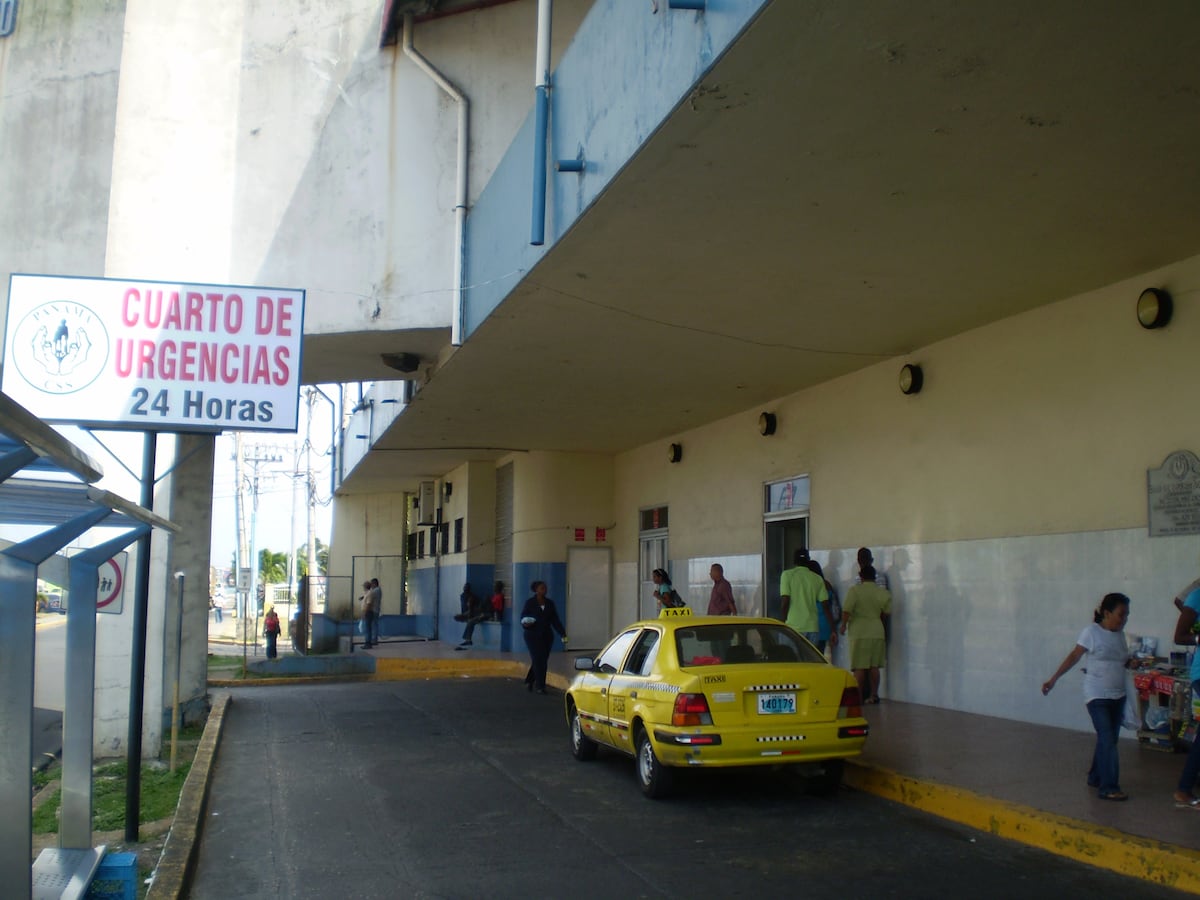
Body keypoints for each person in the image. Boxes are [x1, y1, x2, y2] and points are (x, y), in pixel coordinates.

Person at [1041, 592, 1135, 801]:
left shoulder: (1120, 635)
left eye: (1127, 615)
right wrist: (1053, 679)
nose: (1124, 620)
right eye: (1121, 615)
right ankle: (1109, 787)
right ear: (1106, 612)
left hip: (1117, 696)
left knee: (1109, 739)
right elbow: (1074, 656)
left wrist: (1131, 663)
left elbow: (1120, 659)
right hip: (1097, 695)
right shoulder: (1091, 632)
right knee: (1107, 739)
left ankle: (1095, 776)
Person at [841, 565, 891, 703]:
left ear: (861, 576)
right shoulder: (881, 592)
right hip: (877, 632)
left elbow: (846, 610)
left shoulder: (854, 591)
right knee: (874, 666)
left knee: (859, 667)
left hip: (859, 632)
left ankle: (858, 697)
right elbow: (886, 612)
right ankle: (874, 695)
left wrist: (843, 625)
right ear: (874, 577)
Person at [1172, 579, 1200, 809]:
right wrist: (1199, 637)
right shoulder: (1197, 596)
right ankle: (1183, 788)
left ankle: (1185, 787)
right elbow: (1180, 636)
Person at [520, 580, 567, 694]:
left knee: (542, 659)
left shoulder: (550, 603)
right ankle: (540, 685)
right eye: (542, 588)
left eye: (545, 588)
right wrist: (526, 624)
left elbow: (555, 620)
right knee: (538, 659)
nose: (544, 590)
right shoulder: (530, 603)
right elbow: (523, 617)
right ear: (536, 590)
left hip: (546, 636)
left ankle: (530, 680)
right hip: (532, 635)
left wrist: (562, 633)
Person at [780, 548, 825, 645]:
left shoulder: (787, 575)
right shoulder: (817, 578)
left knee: (792, 659)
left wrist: (782, 622)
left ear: (794, 561)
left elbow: (785, 601)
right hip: (813, 628)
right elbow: (824, 602)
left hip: (793, 627)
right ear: (808, 561)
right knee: (809, 660)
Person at [805, 559, 840, 654]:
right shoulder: (826, 584)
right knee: (820, 654)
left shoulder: (809, 586)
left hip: (812, 626)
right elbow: (830, 606)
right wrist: (833, 629)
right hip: (825, 625)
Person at [359, 580, 376, 649]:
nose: (363, 587)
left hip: (368, 612)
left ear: (366, 586)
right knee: (367, 628)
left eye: (363, 586)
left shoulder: (369, 594)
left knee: (368, 628)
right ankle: (367, 642)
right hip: (367, 612)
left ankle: (368, 643)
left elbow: (368, 604)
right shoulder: (367, 593)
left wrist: (365, 612)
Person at [367, 578, 382, 646]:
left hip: (374, 610)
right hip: (376, 609)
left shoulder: (376, 590)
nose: (371, 585)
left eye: (372, 584)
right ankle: (374, 639)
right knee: (374, 625)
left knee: (374, 625)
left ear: (374, 584)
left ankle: (374, 640)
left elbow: (370, 595)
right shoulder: (377, 590)